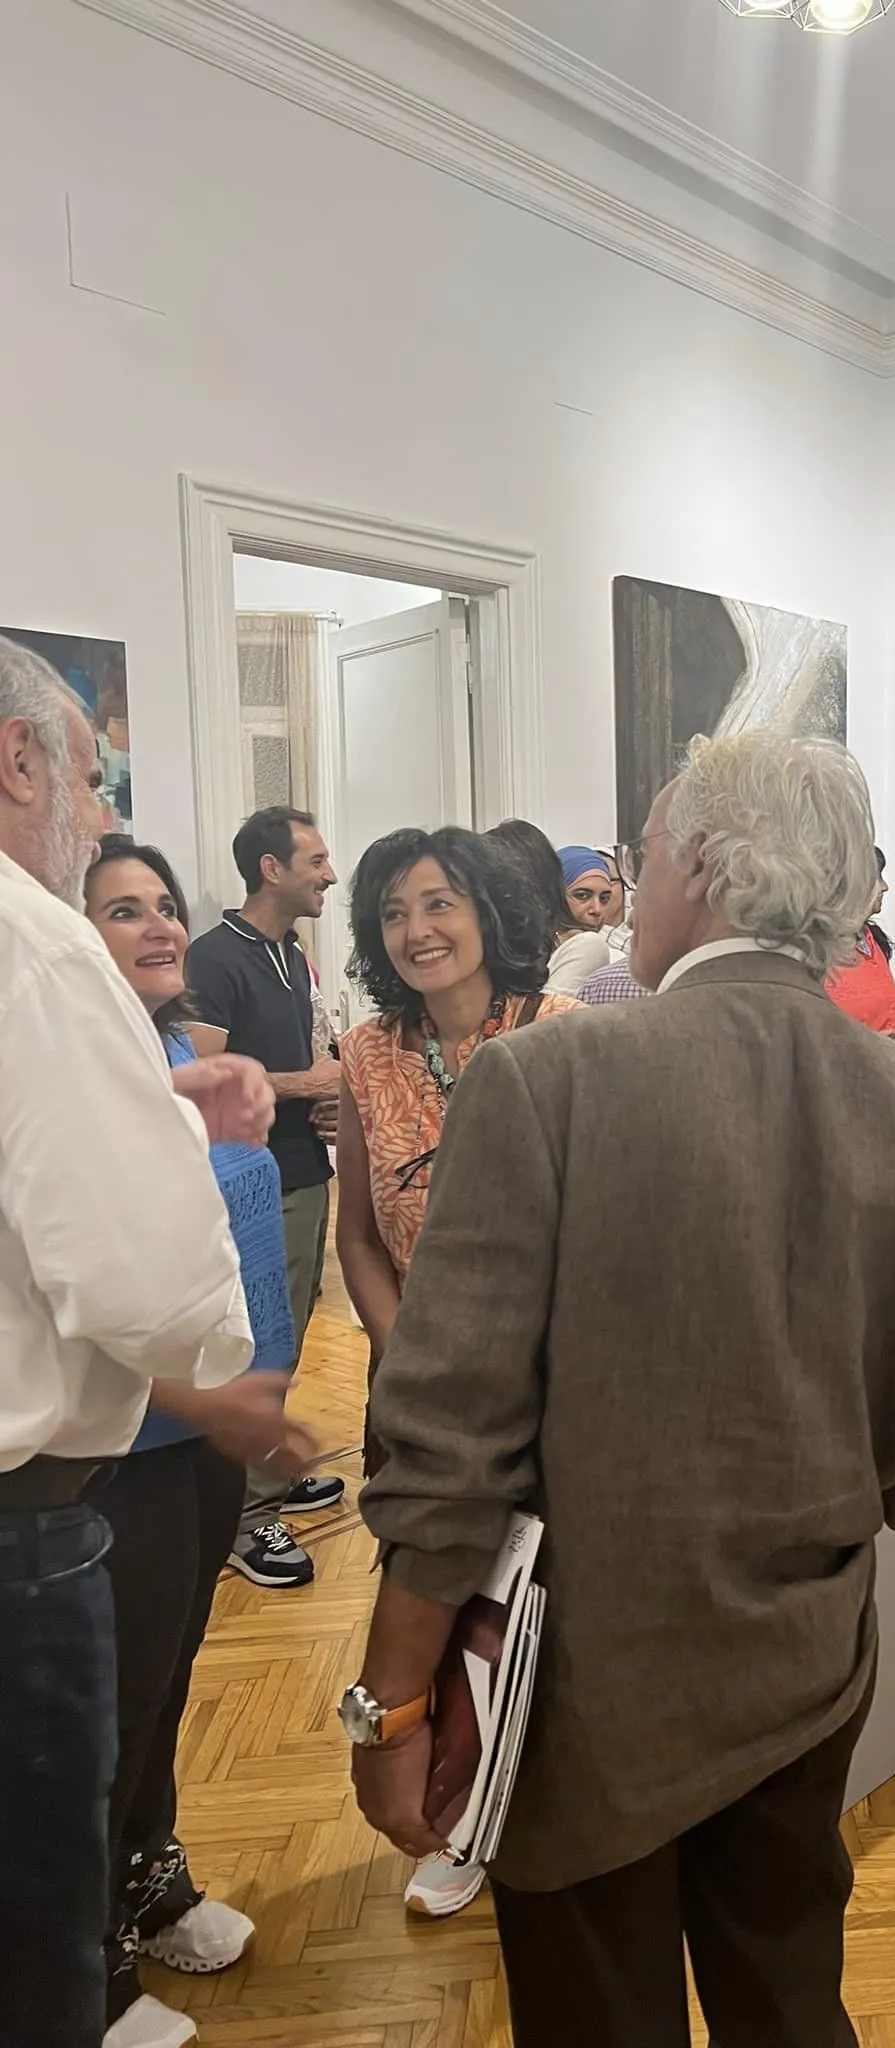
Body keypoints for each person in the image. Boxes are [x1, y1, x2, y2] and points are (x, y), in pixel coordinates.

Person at [348, 733, 895, 2048]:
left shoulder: (543, 1080)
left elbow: (449, 1447)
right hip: (812, 1654)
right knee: (789, 2002)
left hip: (584, 1689)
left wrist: (391, 1708)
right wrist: (812, 1506)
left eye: (645, 854)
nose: (635, 883)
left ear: (701, 863)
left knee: (600, 2016)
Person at [0, 637, 263, 2048]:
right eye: (93, 780)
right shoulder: (34, 945)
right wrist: (221, 1373)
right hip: (37, 1505)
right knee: (37, 1924)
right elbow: (134, 1278)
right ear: (18, 760)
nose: (102, 811)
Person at [84, 837, 318, 2048]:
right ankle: (88, 1966)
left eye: (164, 904)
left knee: (170, 1675)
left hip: (213, 1424)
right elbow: (82, 1277)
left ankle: (152, 1879)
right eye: (123, 911)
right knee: (111, 1703)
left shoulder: (184, 1055)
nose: (160, 925)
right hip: (119, 1439)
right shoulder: (70, 1072)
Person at [335, 825, 580, 1920]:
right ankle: (458, 1809)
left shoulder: (562, 1033)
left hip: (549, 1383)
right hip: (417, 1391)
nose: (418, 929)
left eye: (438, 902)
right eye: (394, 912)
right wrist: (405, 1361)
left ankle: (549, 1802)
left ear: (486, 910)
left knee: (545, 1600)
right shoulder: (365, 1053)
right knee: (434, 1595)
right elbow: (356, 1235)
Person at [183, 806, 345, 1590]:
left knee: (289, 1329)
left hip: (305, 1170)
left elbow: (303, 1056)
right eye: (316, 861)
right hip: (250, 1182)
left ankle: (269, 1475)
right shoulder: (214, 958)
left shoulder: (293, 954)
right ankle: (247, 1519)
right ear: (270, 869)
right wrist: (303, 1085)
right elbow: (202, 1080)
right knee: (255, 1344)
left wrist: (325, 1097)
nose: (330, 875)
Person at [827, 848, 895, 1054]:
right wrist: (872, 1046)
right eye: (877, 878)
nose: (884, 887)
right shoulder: (811, 953)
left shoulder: (872, 940)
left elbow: (881, 1017)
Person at [547, 845, 619, 994]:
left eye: (604, 899)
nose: (597, 909)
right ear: (555, 895)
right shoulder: (524, 949)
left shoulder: (608, 954)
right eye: (582, 896)